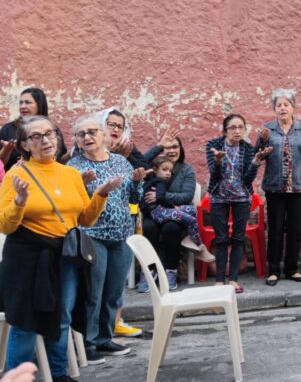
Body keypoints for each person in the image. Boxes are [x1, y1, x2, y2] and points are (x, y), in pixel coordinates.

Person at [0, 115, 122, 382]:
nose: (45, 141)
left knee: (62, 318)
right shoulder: (16, 175)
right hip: (26, 258)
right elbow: (5, 226)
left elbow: (85, 219)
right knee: (25, 324)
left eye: (50, 134)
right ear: (25, 144)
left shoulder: (70, 174)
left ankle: (58, 374)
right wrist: (20, 201)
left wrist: (100, 194)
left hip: (64, 255)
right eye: (36, 137)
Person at [66, 115, 149, 365]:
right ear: (77, 141)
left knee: (114, 292)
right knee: (93, 292)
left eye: (92, 132)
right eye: (82, 134)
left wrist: (137, 182)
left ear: (103, 135)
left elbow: (133, 198)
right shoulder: (73, 167)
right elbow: (71, 203)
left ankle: (105, 339)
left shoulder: (121, 162)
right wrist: (79, 185)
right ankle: (89, 343)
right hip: (92, 236)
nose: (88, 137)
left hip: (121, 235)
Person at [257, 89, 301, 286]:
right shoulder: (267, 130)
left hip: (298, 188)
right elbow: (257, 155)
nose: (282, 108)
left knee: (294, 230)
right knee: (274, 230)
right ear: (274, 109)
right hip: (275, 189)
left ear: (293, 107)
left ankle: (292, 269)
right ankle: (273, 270)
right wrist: (262, 141)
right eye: (279, 105)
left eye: (286, 105)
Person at [206, 114, 268, 293]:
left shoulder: (248, 149)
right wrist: (218, 161)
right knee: (221, 238)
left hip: (242, 197)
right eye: (232, 127)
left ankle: (233, 279)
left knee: (238, 238)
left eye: (240, 127)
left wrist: (256, 162)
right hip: (219, 197)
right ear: (225, 131)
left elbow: (248, 179)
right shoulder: (214, 146)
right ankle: (219, 280)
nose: (237, 131)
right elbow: (214, 175)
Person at [139, 131, 196, 293]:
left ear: (181, 149)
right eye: (168, 147)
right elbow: (140, 163)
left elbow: (187, 196)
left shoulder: (187, 170)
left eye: (175, 147)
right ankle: (148, 271)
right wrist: (158, 147)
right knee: (148, 228)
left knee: (170, 228)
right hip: (152, 214)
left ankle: (171, 271)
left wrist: (160, 196)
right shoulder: (153, 167)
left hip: (174, 214)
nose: (171, 151)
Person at [146, 157, 214, 263]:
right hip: (157, 213)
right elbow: (160, 198)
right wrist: (173, 207)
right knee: (191, 220)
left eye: (170, 171)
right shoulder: (158, 181)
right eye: (164, 170)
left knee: (192, 210)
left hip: (163, 209)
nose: (168, 173)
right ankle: (200, 246)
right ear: (155, 170)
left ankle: (189, 239)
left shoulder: (160, 181)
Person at [0, 88, 68, 170]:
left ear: (39, 105)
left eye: (28, 102)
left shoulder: (52, 130)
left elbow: (59, 160)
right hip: (15, 178)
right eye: (21, 103)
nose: (23, 106)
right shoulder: (8, 129)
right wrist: (7, 150)